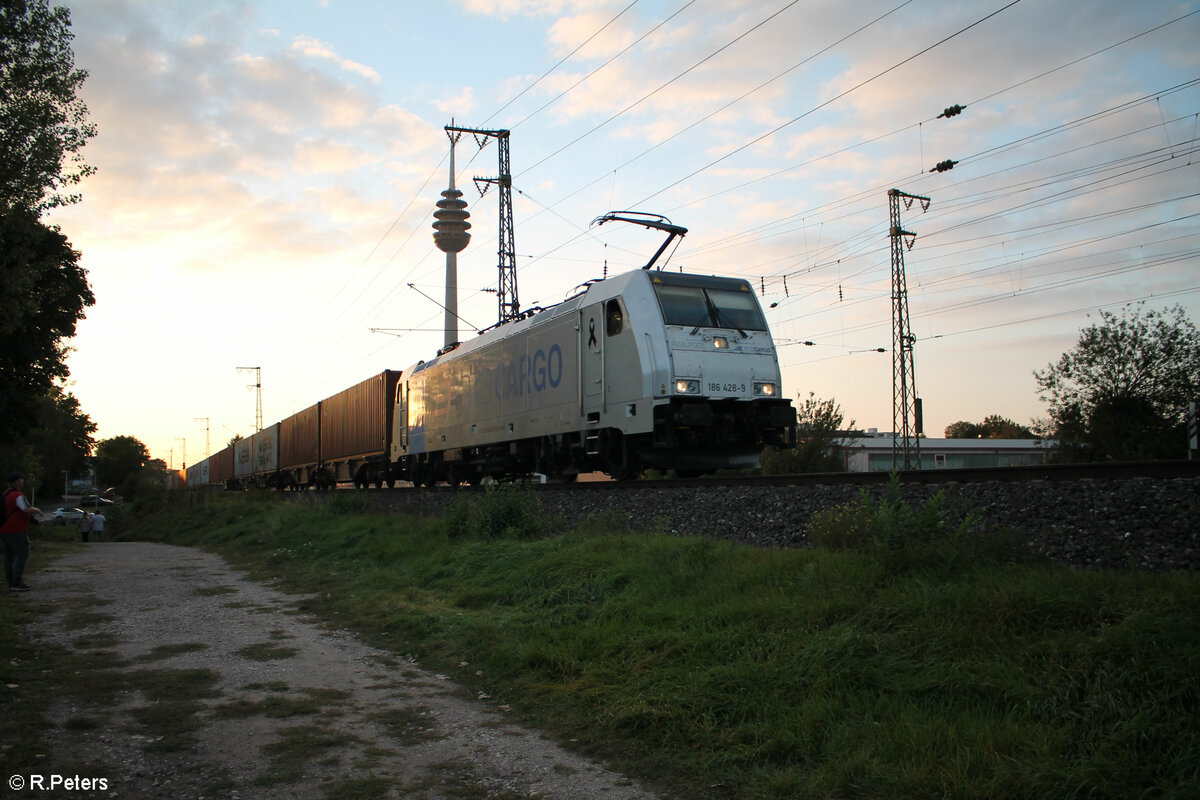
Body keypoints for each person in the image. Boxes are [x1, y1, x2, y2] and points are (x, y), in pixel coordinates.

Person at [1, 473, 42, 592]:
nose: (23, 482)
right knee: (23, 554)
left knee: (8, 557)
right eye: (21, 480)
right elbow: (26, 509)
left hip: (3, 529)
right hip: (16, 529)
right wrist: (37, 511)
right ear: (16, 482)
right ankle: (17, 581)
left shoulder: (5, 494)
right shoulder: (18, 495)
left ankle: (11, 581)